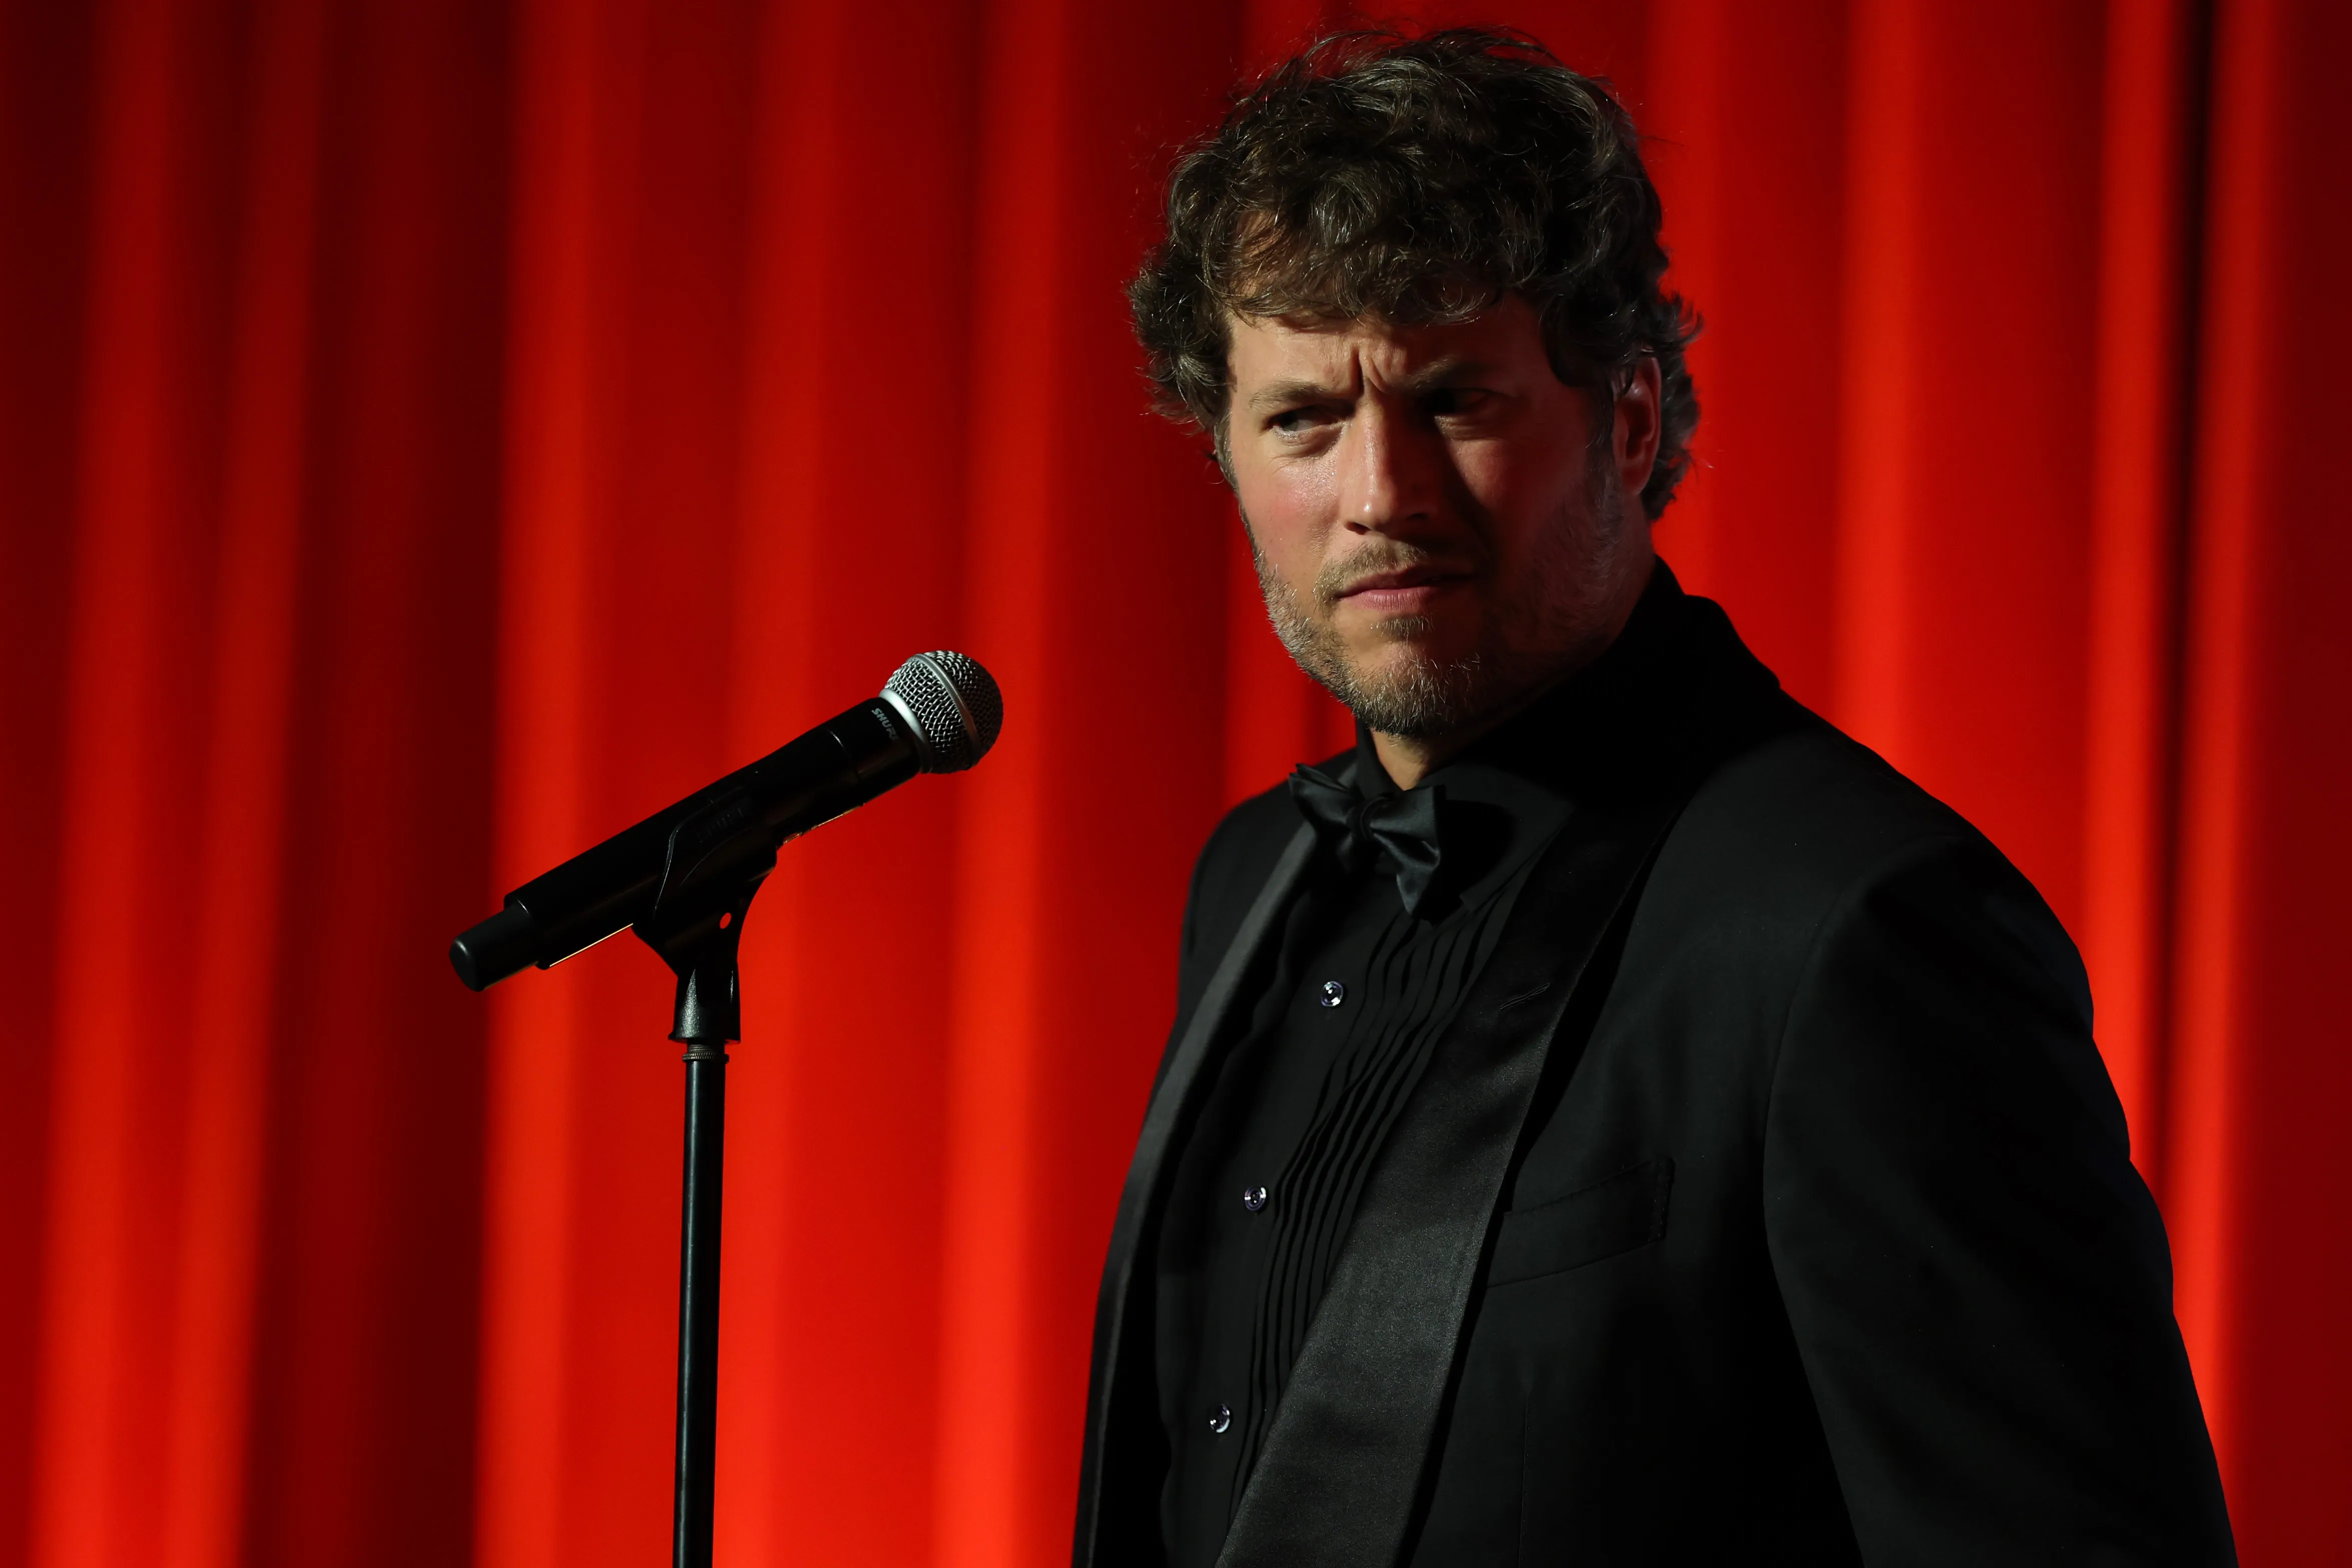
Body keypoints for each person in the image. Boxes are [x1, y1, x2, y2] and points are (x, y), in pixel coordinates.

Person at [1072, 28, 2234, 1568]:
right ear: (1226, 451)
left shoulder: (1856, 926)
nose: (1377, 494)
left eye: (1454, 401)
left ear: (1626, 419)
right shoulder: (1254, 882)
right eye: (1303, 417)